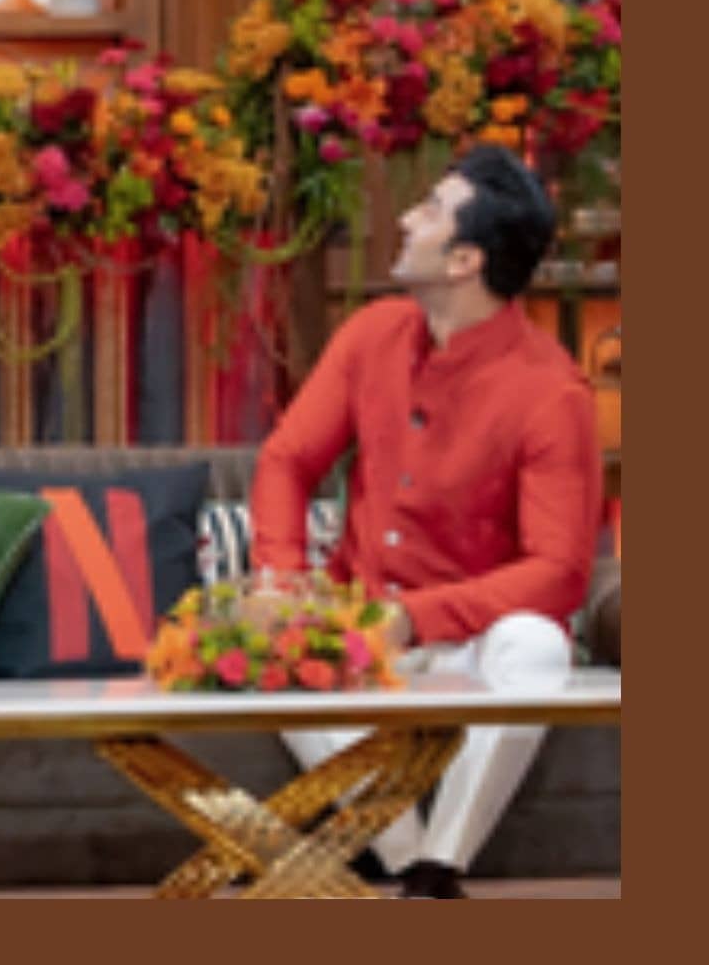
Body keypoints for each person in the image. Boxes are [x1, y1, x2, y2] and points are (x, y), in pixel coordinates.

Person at [248, 143, 603, 899]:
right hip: (357, 629)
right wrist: (280, 579)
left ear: (465, 260)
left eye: (431, 210)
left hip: (467, 641)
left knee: (538, 645)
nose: (407, 219)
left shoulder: (553, 395)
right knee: (269, 642)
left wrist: (416, 618)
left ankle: (443, 860)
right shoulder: (372, 333)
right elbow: (287, 460)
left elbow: (559, 573)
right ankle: (413, 869)